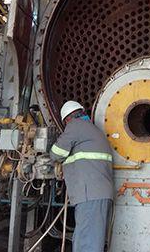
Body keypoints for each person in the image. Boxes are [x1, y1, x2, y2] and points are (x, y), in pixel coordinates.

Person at [50, 100, 114, 252]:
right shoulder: (93, 130)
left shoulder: (75, 125)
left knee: (87, 242)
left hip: (90, 194)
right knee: (87, 238)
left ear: (67, 119)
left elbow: (56, 153)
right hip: (97, 193)